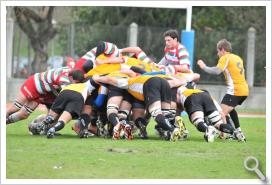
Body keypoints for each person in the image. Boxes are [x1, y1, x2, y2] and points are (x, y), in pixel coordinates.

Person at [197, 38, 248, 142]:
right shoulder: (237, 58)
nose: (217, 54)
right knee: (231, 109)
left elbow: (217, 71)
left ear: (223, 50)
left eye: (218, 51)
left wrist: (204, 67)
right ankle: (238, 131)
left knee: (221, 113)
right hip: (244, 90)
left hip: (235, 90)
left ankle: (234, 133)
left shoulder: (226, 57)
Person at [6, 66, 84, 125]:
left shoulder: (70, 73)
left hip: (42, 92)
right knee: (15, 108)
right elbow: (65, 95)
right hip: (33, 84)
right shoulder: (64, 79)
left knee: (24, 115)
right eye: (75, 82)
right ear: (70, 77)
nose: (75, 84)